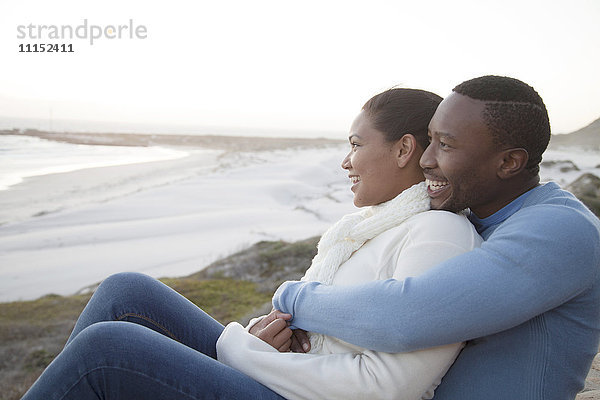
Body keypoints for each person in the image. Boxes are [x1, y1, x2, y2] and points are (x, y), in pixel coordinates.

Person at [22, 88, 481, 400]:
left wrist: (245, 350)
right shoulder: (367, 228)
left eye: (356, 144)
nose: (346, 161)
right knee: (126, 290)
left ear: (402, 151)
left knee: (108, 348)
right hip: (286, 379)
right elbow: (317, 331)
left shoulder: (439, 235)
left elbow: (389, 387)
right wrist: (272, 337)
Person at [272, 75, 600, 399]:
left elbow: (405, 316)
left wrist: (293, 300)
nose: (426, 159)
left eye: (445, 145)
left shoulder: (560, 231)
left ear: (509, 162)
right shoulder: (470, 217)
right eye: (430, 140)